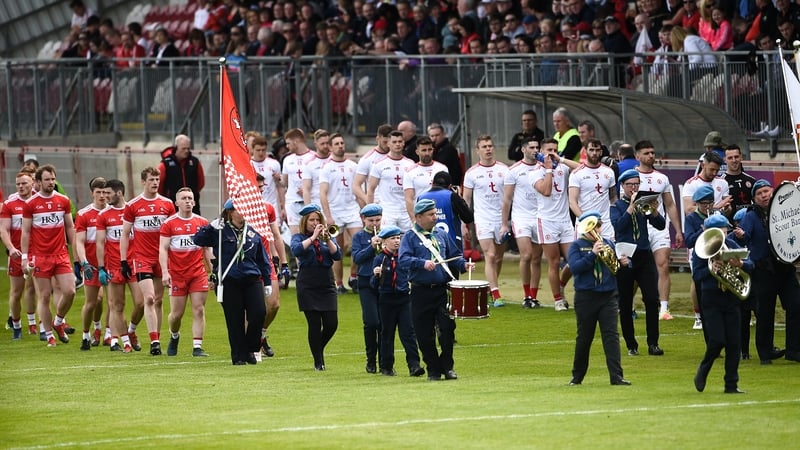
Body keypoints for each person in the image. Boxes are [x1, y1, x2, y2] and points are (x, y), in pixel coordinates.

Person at [398, 199, 474, 381]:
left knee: (448, 329)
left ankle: (448, 367)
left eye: (435, 214)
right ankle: (433, 369)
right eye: (431, 215)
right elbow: (403, 260)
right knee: (424, 334)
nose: (435, 218)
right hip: (420, 292)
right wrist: (421, 263)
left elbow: (454, 256)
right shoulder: (409, 237)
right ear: (418, 217)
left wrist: (464, 264)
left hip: (441, 290)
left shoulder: (441, 234)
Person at [193, 199, 271, 365]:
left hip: (251, 278)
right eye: (239, 209)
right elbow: (198, 240)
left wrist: (268, 281)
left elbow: (261, 257)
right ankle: (239, 356)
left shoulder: (251, 231)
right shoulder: (220, 230)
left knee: (258, 313)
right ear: (230, 212)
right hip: (229, 279)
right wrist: (211, 226)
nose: (243, 212)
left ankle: (251, 348)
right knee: (234, 319)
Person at [737, 180, 800, 364]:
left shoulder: (786, 209)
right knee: (765, 313)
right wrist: (741, 235)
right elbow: (744, 236)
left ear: (773, 192)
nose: (764, 195)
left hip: (785, 268)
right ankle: (765, 353)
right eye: (760, 193)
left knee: (796, 305)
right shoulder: (750, 216)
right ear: (754, 198)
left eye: (767, 191)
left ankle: (794, 350)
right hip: (763, 271)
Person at [567, 211, 631, 386]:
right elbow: (575, 268)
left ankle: (616, 376)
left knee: (611, 336)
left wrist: (624, 263)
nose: (596, 230)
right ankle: (577, 377)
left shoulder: (609, 243)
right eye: (593, 226)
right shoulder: (576, 246)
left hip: (608, 296)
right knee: (584, 337)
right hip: (586, 297)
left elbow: (616, 268)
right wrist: (592, 254)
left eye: (599, 226)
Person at [692, 214, 753, 394]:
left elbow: (751, 264)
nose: (724, 234)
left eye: (725, 230)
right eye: (720, 230)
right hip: (711, 298)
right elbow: (697, 275)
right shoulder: (702, 249)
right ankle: (703, 369)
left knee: (735, 343)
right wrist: (712, 270)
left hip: (731, 298)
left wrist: (741, 264)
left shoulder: (731, 245)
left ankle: (731, 384)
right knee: (717, 340)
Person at [120, 167, 176, 356]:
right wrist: (123, 260)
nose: (155, 183)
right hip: (142, 258)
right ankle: (154, 341)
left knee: (158, 300)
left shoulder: (167, 204)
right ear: (143, 181)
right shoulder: (133, 205)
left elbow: (172, 233)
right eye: (151, 179)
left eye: (157, 179)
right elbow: (125, 234)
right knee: (149, 298)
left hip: (161, 258)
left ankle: (155, 337)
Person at [20, 165, 77, 347]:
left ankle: (58, 322)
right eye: (47, 179)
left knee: (70, 291)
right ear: (38, 182)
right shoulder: (31, 204)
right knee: (44, 296)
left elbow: (70, 227)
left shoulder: (63, 200)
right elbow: (26, 231)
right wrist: (24, 257)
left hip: (60, 254)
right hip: (40, 257)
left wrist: (75, 253)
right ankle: (49, 335)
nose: (51, 182)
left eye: (53, 179)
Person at [612, 169, 665, 356]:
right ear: (623, 187)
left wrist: (655, 211)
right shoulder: (617, 206)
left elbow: (660, 225)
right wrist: (631, 207)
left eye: (636, 184)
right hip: (625, 255)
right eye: (630, 185)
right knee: (625, 302)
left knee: (652, 299)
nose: (634, 188)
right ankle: (631, 344)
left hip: (643, 254)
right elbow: (619, 227)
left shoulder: (644, 205)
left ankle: (653, 343)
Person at [633, 140, 684, 320]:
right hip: (638, 228)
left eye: (653, 152)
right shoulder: (630, 177)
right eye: (646, 153)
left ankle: (663, 309)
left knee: (663, 265)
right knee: (635, 270)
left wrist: (677, 230)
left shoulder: (662, 178)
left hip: (658, 227)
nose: (651, 156)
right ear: (637, 156)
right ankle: (628, 304)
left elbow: (670, 205)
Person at [159, 188, 211, 358]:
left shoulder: (202, 222)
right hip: (177, 274)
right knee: (176, 315)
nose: (188, 201)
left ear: (194, 202)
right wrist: (165, 272)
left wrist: (213, 270)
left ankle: (197, 346)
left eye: (190, 198)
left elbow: (207, 249)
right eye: (184, 198)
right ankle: (174, 336)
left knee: (199, 309)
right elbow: (163, 249)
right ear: (177, 203)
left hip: (197, 273)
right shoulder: (169, 224)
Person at [291, 204, 342, 370]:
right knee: (314, 324)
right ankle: (318, 361)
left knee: (331, 323)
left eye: (317, 220)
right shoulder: (298, 237)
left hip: (326, 281)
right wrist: (313, 237)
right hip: (308, 283)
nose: (315, 222)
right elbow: (297, 250)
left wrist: (327, 239)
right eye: (311, 220)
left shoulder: (327, 237)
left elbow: (337, 255)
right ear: (305, 222)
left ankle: (317, 350)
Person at [96, 179, 144, 352]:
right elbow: (100, 243)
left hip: (135, 264)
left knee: (141, 302)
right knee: (117, 305)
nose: (105, 196)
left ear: (119, 193)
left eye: (108, 193)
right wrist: (101, 268)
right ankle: (124, 342)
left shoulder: (132, 210)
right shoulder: (103, 215)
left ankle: (131, 331)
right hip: (114, 266)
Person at [462, 134, 509, 306]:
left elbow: (511, 195)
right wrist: (464, 223)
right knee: (490, 255)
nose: (488, 149)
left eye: (490, 146)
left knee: (498, 257)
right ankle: (496, 295)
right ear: (478, 150)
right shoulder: (472, 173)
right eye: (484, 146)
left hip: (502, 219)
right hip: (483, 219)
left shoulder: (504, 169)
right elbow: (465, 200)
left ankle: (491, 287)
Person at [371, 226, 425, 377]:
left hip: (403, 299)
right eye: (392, 239)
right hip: (386, 300)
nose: (396, 241)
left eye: (398, 238)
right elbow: (373, 285)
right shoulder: (379, 258)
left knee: (408, 333)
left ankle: (414, 365)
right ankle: (386, 366)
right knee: (387, 334)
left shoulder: (404, 257)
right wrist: (376, 275)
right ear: (384, 242)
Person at [533, 139, 579, 311]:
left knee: (574, 260)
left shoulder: (563, 166)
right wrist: (548, 169)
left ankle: (561, 284)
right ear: (541, 152)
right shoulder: (535, 172)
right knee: (553, 262)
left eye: (554, 149)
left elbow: (582, 168)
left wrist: (560, 160)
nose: (551, 153)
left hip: (565, 221)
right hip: (547, 221)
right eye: (548, 150)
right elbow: (546, 190)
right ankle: (558, 300)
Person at [501, 137, 544, 308]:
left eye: (537, 147)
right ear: (523, 149)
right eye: (532, 147)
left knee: (537, 258)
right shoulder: (514, 170)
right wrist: (505, 223)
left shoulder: (544, 168)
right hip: (521, 218)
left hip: (540, 217)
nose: (535, 150)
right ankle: (526, 295)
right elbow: (507, 199)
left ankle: (534, 296)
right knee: (526, 255)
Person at [319, 133, 362, 293]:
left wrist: (363, 211)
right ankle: (338, 283)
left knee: (358, 242)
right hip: (335, 212)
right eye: (336, 144)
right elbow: (323, 193)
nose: (340, 146)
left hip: (352, 210)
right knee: (337, 249)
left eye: (342, 143)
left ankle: (353, 276)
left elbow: (358, 189)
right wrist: (328, 216)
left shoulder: (353, 165)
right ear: (330, 147)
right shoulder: (327, 168)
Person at [1, 172, 38, 339]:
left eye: (24, 183)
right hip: (16, 254)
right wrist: (10, 248)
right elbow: (3, 229)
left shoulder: (40, 201)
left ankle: (33, 324)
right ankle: (16, 326)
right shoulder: (10, 204)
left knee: (33, 289)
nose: (21, 186)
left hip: (36, 253)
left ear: (33, 184)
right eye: (18, 184)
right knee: (16, 292)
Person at [74, 177, 108, 350]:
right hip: (92, 264)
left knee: (113, 301)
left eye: (104, 192)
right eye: (98, 192)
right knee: (92, 301)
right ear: (92, 193)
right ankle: (87, 334)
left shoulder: (114, 212)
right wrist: (83, 263)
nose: (102, 195)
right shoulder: (84, 214)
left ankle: (109, 334)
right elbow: (79, 241)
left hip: (111, 262)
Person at [351, 204, 384, 373]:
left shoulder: (388, 235)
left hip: (384, 282)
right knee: (371, 322)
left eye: (378, 220)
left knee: (384, 324)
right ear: (363, 219)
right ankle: (371, 360)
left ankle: (385, 361)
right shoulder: (359, 237)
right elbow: (357, 258)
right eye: (371, 220)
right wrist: (371, 246)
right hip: (366, 282)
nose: (375, 224)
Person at [568, 138, 617, 241]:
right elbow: (572, 202)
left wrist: (615, 217)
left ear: (601, 152)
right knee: (586, 255)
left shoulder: (608, 172)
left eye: (597, 150)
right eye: (591, 150)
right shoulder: (577, 174)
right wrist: (586, 220)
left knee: (609, 254)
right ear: (585, 151)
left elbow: (613, 198)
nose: (594, 153)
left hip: (605, 223)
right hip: (585, 223)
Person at [367, 131, 416, 231]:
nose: (397, 144)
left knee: (406, 241)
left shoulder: (410, 164)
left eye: (399, 141)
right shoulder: (379, 164)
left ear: (403, 143)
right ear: (388, 143)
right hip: (387, 211)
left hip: (406, 211)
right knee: (387, 241)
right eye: (394, 142)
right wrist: (369, 212)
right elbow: (371, 189)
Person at [417, 171, 474, 253]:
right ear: (450, 186)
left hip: (427, 244)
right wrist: (459, 198)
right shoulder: (452, 196)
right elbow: (468, 217)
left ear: (432, 183)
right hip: (451, 244)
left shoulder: (421, 197)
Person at [403, 136, 448, 221]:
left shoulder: (442, 168)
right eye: (424, 150)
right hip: (421, 215)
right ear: (417, 152)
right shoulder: (410, 171)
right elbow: (409, 199)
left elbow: (447, 194)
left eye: (429, 149)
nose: (427, 153)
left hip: (440, 214)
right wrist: (414, 219)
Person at [158, 134, 205, 215]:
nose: (186, 151)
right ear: (176, 147)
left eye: (188, 148)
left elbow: (201, 183)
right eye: (183, 148)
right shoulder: (165, 164)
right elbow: (159, 185)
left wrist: (191, 194)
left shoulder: (195, 162)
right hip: (172, 206)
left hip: (192, 206)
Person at [281, 128, 315, 233]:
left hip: (310, 201)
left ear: (296, 141)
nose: (287, 146)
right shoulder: (287, 159)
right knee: (295, 236)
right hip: (292, 202)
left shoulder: (313, 157)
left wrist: (306, 190)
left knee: (312, 234)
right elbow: (284, 183)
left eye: (288, 143)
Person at [352, 124, 393, 208]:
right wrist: (367, 200)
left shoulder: (398, 157)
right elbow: (356, 185)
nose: (387, 145)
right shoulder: (367, 159)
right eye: (384, 142)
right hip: (377, 203)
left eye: (389, 142)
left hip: (394, 203)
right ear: (377, 139)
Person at [250, 135, 285, 216]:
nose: (261, 153)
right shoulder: (248, 164)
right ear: (252, 149)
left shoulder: (274, 164)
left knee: (276, 228)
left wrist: (283, 206)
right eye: (258, 150)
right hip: (254, 206)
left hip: (272, 205)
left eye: (263, 150)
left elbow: (280, 187)